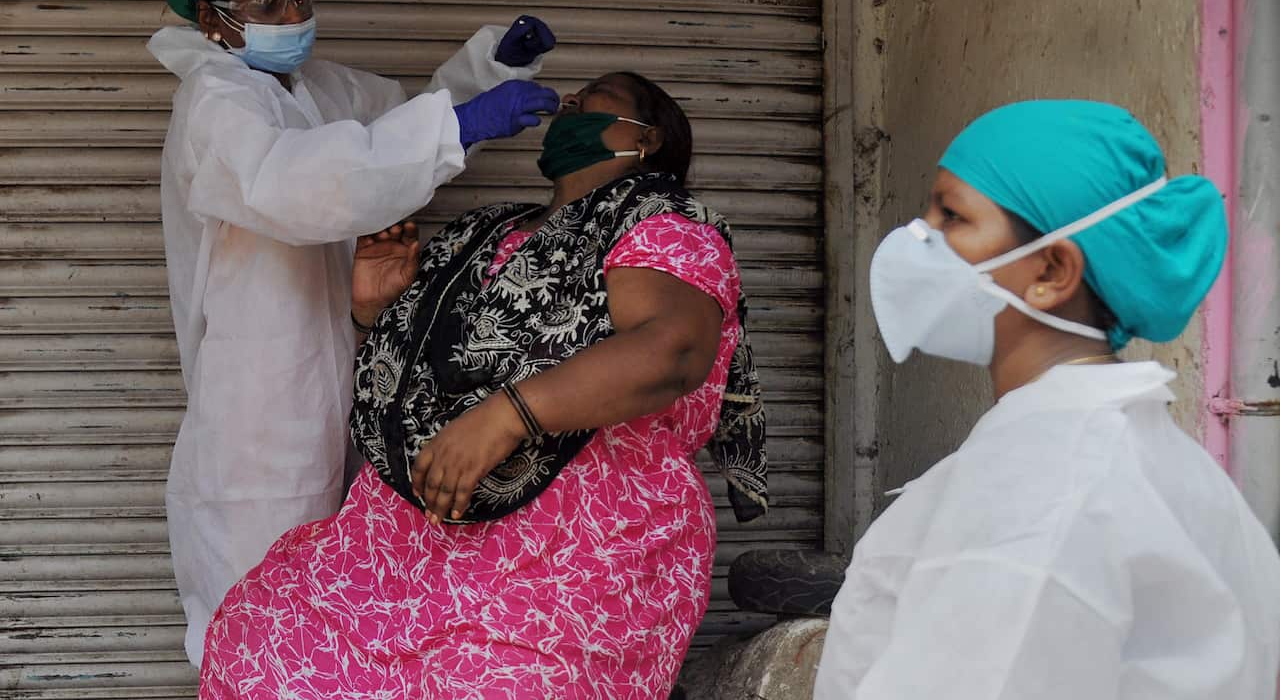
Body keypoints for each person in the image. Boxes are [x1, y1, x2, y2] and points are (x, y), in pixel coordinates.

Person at [198, 72, 769, 698]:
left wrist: (506, 419)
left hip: (572, 547)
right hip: (411, 540)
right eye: (569, 101)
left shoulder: (665, 223)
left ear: (647, 136)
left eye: (597, 96)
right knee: (261, 643)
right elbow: (430, 383)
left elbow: (673, 351)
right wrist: (376, 310)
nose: (572, 105)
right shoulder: (487, 230)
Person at [150, 0, 561, 665]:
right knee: (255, 617)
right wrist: (458, 129)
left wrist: (489, 72)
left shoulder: (312, 86)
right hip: (259, 419)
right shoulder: (217, 102)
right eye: (269, 6)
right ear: (212, 19)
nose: (295, 16)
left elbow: (394, 126)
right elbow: (302, 185)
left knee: (331, 617)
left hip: (336, 380)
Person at [814, 100, 1280, 698]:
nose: (917, 236)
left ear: (1052, 271)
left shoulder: (1045, 485)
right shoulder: (1134, 452)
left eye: (952, 215)